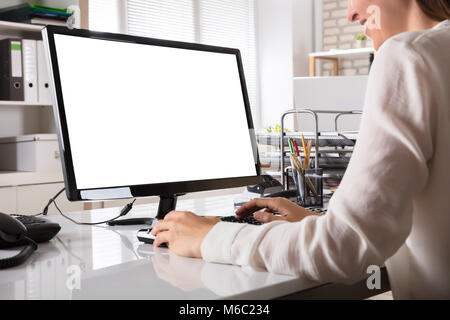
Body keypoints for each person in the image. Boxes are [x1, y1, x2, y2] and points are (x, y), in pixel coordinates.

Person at [152, 0, 450, 299]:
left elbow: (344, 249)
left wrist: (212, 238)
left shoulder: (409, 54)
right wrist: (319, 224)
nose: (350, 13)